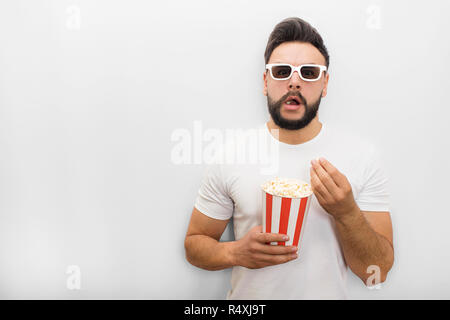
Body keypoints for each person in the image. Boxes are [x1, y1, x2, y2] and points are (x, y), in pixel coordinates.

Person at [184, 17, 394, 299]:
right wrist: (234, 251)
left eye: (308, 72)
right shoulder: (231, 154)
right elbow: (194, 245)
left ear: (325, 83)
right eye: (282, 71)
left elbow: (377, 270)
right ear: (265, 81)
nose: (294, 82)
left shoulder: (362, 157)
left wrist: (346, 212)